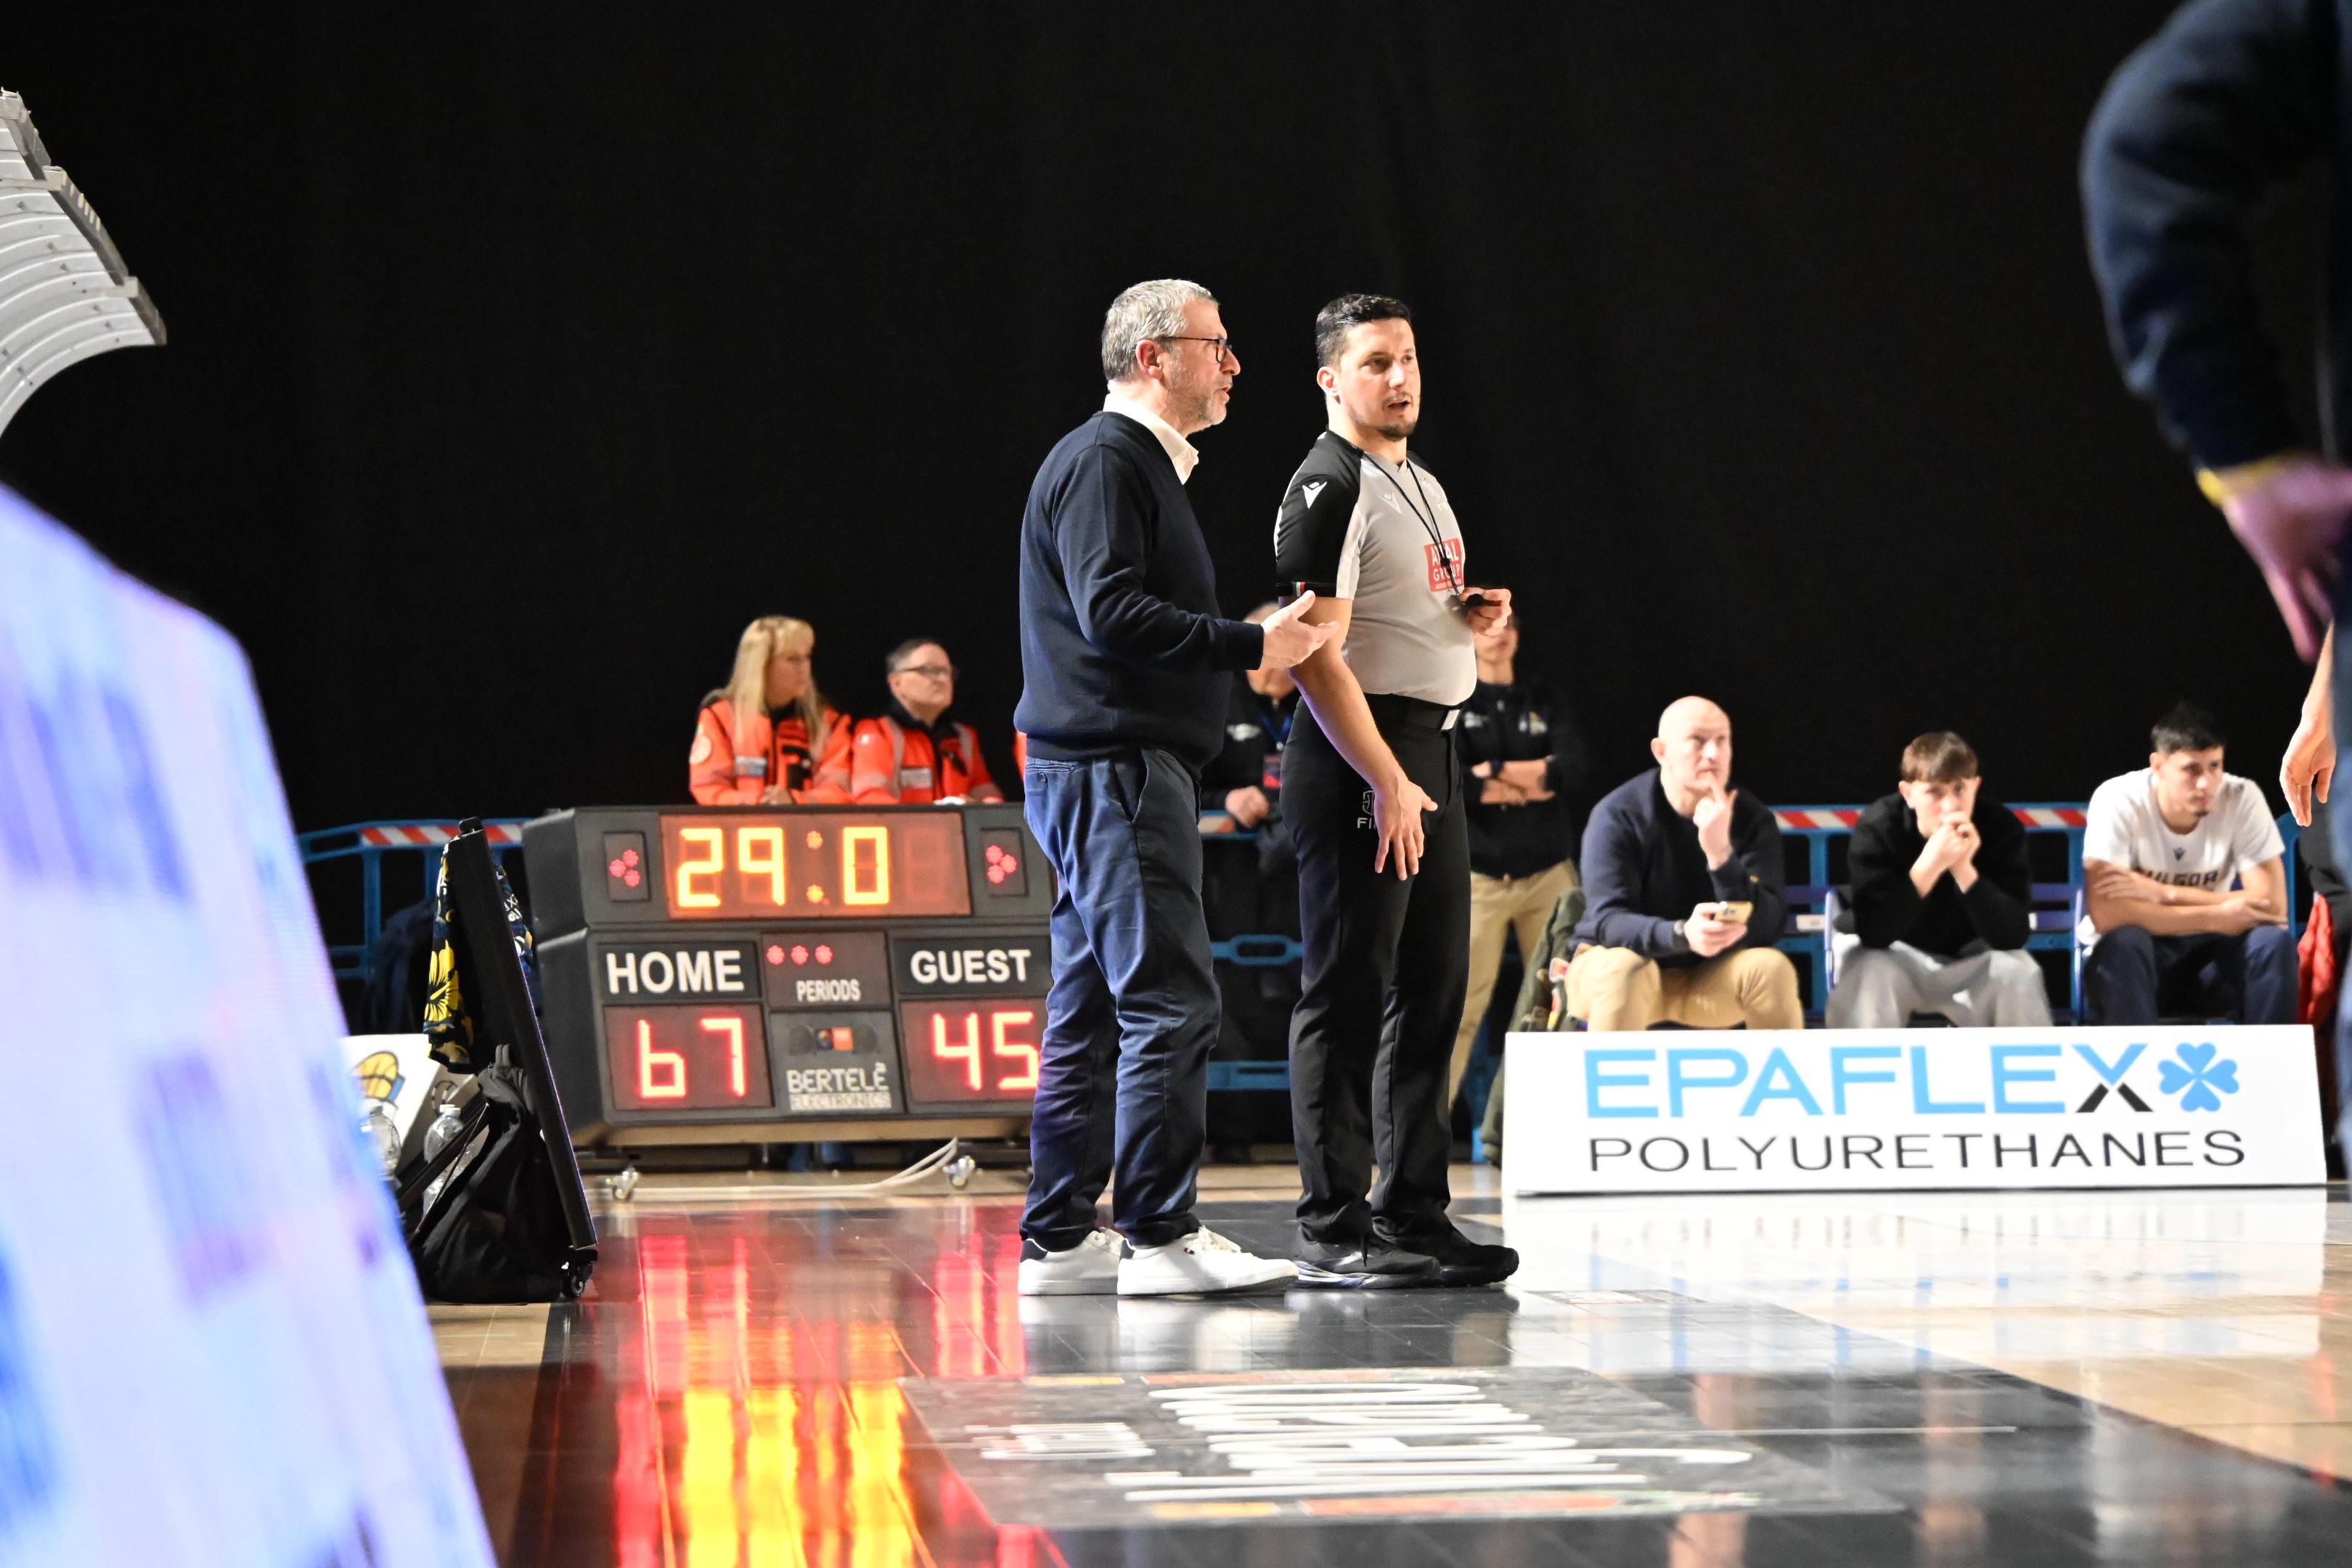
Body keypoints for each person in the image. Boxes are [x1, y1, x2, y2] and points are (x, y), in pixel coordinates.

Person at [1010, 278, 1331, 1298]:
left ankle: (1060, 1239)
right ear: (1152, 356)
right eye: (1215, 343)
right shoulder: (1111, 459)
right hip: (1115, 768)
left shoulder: (1120, 462)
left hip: (1096, 769)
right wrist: (1253, 643)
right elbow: (1110, 613)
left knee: (1093, 1009)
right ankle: (1158, 1234)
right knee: (1169, 1000)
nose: (1234, 363)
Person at [1276, 293, 1518, 1290]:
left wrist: (1465, 615)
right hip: (1362, 758)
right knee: (1346, 991)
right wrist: (1384, 777)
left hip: (1431, 755)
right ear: (1331, 379)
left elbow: (1395, 605)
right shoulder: (1329, 484)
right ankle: (1332, 1227)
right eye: (1376, 362)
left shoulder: (1415, 477)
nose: (1400, 376)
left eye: (1408, 357)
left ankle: (1413, 1210)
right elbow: (1309, 652)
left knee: (1432, 991)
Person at [1564, 698, 1801, 1032]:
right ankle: (1613, 1069)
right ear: (1662, 752)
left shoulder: (1751, 818)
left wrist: (1721, 856)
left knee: (1770, 969)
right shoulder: (1618, 815)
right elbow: (1608, 922)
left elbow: (1767, 927)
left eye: (1722, 740)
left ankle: (1783, 1068)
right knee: (1624, 970)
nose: (1713, 754)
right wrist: (1681, 934)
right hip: (1617, 966)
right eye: (1698, 741)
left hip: (1702, 977)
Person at [1446, 616, 1588, 1113]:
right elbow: (1453, 780)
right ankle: (1420, 1131)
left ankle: (1554, 1118)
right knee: (1460, 1005)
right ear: (1468, 636)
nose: (1500, 632)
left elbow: (1571, 769)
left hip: (1547, 874)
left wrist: (1496, 772)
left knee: (1562, 998)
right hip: (1479, 876)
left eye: (1510, 624)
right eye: (1489, 626)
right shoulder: (1455, 700)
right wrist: (1531, 778)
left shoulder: (1543, 698)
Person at [2080, 703, 2294, 1025]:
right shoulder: (2117, 798)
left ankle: (2272, 1056)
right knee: (2125, 943)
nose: (2206, 783)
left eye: (2214, 766)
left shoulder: (2241, 796)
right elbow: (2107, 914)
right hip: (2139, 961)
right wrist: (2219, 914)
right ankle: (2138, 1058)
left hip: (2211, 959)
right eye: (2192, 770)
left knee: (2272, 944)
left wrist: (2164, 894)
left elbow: (2272, 907)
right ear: (2158, 766)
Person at [1826, 732, 2050, 1029]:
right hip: (1895, 956)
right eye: (1934, 792)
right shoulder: (1880, 826)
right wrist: (1929, 867)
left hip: (1973, 961)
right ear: (1908, 794)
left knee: (2019, 971)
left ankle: (2024, 1062)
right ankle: (1864, 1062)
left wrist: (1963, 869)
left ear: (1975, 786)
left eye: (1960, 789)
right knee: (1867, 969)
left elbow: (2012, 937)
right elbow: (1875, 933)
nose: (1950, 806)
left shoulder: (2001, 827)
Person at [687, 615, 852, 805]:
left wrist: (794, 801)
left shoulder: (829, 722)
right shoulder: (720, 717)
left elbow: (839, 791)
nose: (805, 668)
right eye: (792, 659)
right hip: (741, 824)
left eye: (807, 657)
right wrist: (759, 804)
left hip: (806, 824)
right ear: (760, 665)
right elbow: (709, 788)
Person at [849, 638, 1005, 805]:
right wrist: (933, 818)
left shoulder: (963, 737)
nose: (943, 679)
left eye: (947, 671)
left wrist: (982, 806)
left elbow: (986, 793)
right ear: (896, 683)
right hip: (907, 823)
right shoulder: (878, 732)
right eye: (929, 670)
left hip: (956, 822)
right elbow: (870, 798)